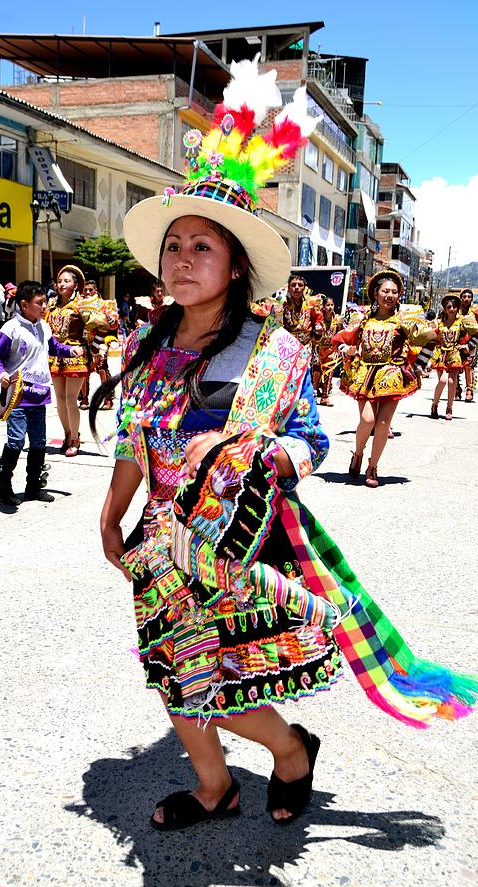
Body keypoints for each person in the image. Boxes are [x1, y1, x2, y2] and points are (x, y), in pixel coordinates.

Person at [90, 61, 477, 833]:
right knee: (173, 674)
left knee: (230, 684)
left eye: (202, 245)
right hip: (163, 543)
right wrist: (112, 516)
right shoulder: (146, 344)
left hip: (242, 538)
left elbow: (309, 440)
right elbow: (135, 437)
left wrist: (263, 459)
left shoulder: (277, 350)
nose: (182, 258)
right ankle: (214, 789)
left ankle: (293, 752)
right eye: (174, 245)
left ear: (236, 265)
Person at [333, 271, 436, 487]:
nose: (390, 295)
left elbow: (428, 337)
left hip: (392, 376)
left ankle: (373, 466)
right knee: (368, 420)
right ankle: (358, 454)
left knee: (382, 424)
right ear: (376, 294)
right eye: (385, 291)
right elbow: (342, 340)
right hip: (365, 375)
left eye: (394, 292)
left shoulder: (404, 321)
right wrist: (348, 350)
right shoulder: (362, 320)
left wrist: (419, 365)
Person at [0, 280, 82, 506]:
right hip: (17, 397)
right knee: (16, 442)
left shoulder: (44, 326)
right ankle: (4, 486)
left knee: (39, 444)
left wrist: (71, 350)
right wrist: (0, 374)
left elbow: (55, 348)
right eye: (39, 303)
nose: (44, 307)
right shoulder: (10, 329)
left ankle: (32, 488)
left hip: (39, 396)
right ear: (24, 304)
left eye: (44, 302)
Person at [46, 266, 103, 455]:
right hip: (55, 356)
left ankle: (75, 441)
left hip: (75, 356)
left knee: (71, 400)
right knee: (60, 400)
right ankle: (68, 434)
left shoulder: (82, 304)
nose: (62, 284)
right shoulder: (52, 304)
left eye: (66, 281)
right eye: (60, 281)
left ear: (76, 284)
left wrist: (95, 346)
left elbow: (103, 323)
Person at [430, 294, 478, 420]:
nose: (452, 309)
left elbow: (476, 332)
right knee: (443, 380)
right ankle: (434, 405)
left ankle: (449, 408)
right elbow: (426, 336)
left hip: (454, 355)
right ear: (445, 309)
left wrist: (467, 346)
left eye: (455, 307)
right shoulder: (438, 322)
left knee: (452, 382)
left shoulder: (462, 321)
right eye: (449, 307)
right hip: (440, 355)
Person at [79, 280, 119, 410]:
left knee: (102, 367)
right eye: (86, 290)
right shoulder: (79, 304)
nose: (88, 292)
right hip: (84, 340)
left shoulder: (105, 304)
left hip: (100, 341)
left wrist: (108, 318)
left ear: (96, 290)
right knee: (84, 369)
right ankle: (84, 399)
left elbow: (114, 323)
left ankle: (108, 399)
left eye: (91, 289)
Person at [313, 294, 341, 406]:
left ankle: (325, 397)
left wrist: (338, 349)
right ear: (323, 307)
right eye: (327, 305)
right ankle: (313, 395)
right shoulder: (319, 318)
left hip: (331, 349)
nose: (330, 307)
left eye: (332, 305)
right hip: (319, 348)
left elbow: (340, 334)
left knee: (328, 373)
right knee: (316, 372)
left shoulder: (338, 320)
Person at [282, 274, 323, 347]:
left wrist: (318, 329)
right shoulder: (283, 305)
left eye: (300, 285)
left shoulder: (311, 305)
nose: (297, 287)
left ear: (304, 288)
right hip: (288, 348)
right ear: (288, 288)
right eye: (293, 285)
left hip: (306, 348)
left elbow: (317, 321)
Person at [458, 289, 478, 402]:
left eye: (469, 297)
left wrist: (470, 345)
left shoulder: (475, 312)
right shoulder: (456, 310)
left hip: (471, 342)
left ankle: (469, 390)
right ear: (461, 298)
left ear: (472, 298)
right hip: (456, 342)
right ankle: (457, 390)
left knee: (469, 367)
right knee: (454, 366)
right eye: (464, 296)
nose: (466, 299)